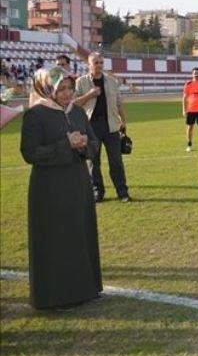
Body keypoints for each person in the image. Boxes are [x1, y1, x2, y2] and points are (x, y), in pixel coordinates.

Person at [20, 68, 102, 309]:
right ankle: (56, 296)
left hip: (78, 183)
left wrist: (84, 145)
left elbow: (94, 143)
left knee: (80, 233)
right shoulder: (35, 115)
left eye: (69, 88)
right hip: (50, 188)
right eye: (61, 88)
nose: (67, 93)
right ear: (46, 89)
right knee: (56, 238)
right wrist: (65, 144)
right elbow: (30, 153)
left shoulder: (77, 112)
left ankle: (85, 289)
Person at [74, 52, 131, 203]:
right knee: (93, 160)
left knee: (116, 161)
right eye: (95, 63)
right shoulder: (81, 82)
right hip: (90, 126)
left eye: (101, 62)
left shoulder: (112, 81)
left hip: (111, 124)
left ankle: (122, 192)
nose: (99, 65)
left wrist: (123, 122)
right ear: (89, 65)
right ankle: (97, 192)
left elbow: (119, 103)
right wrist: (89, 95)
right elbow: (74, 104)